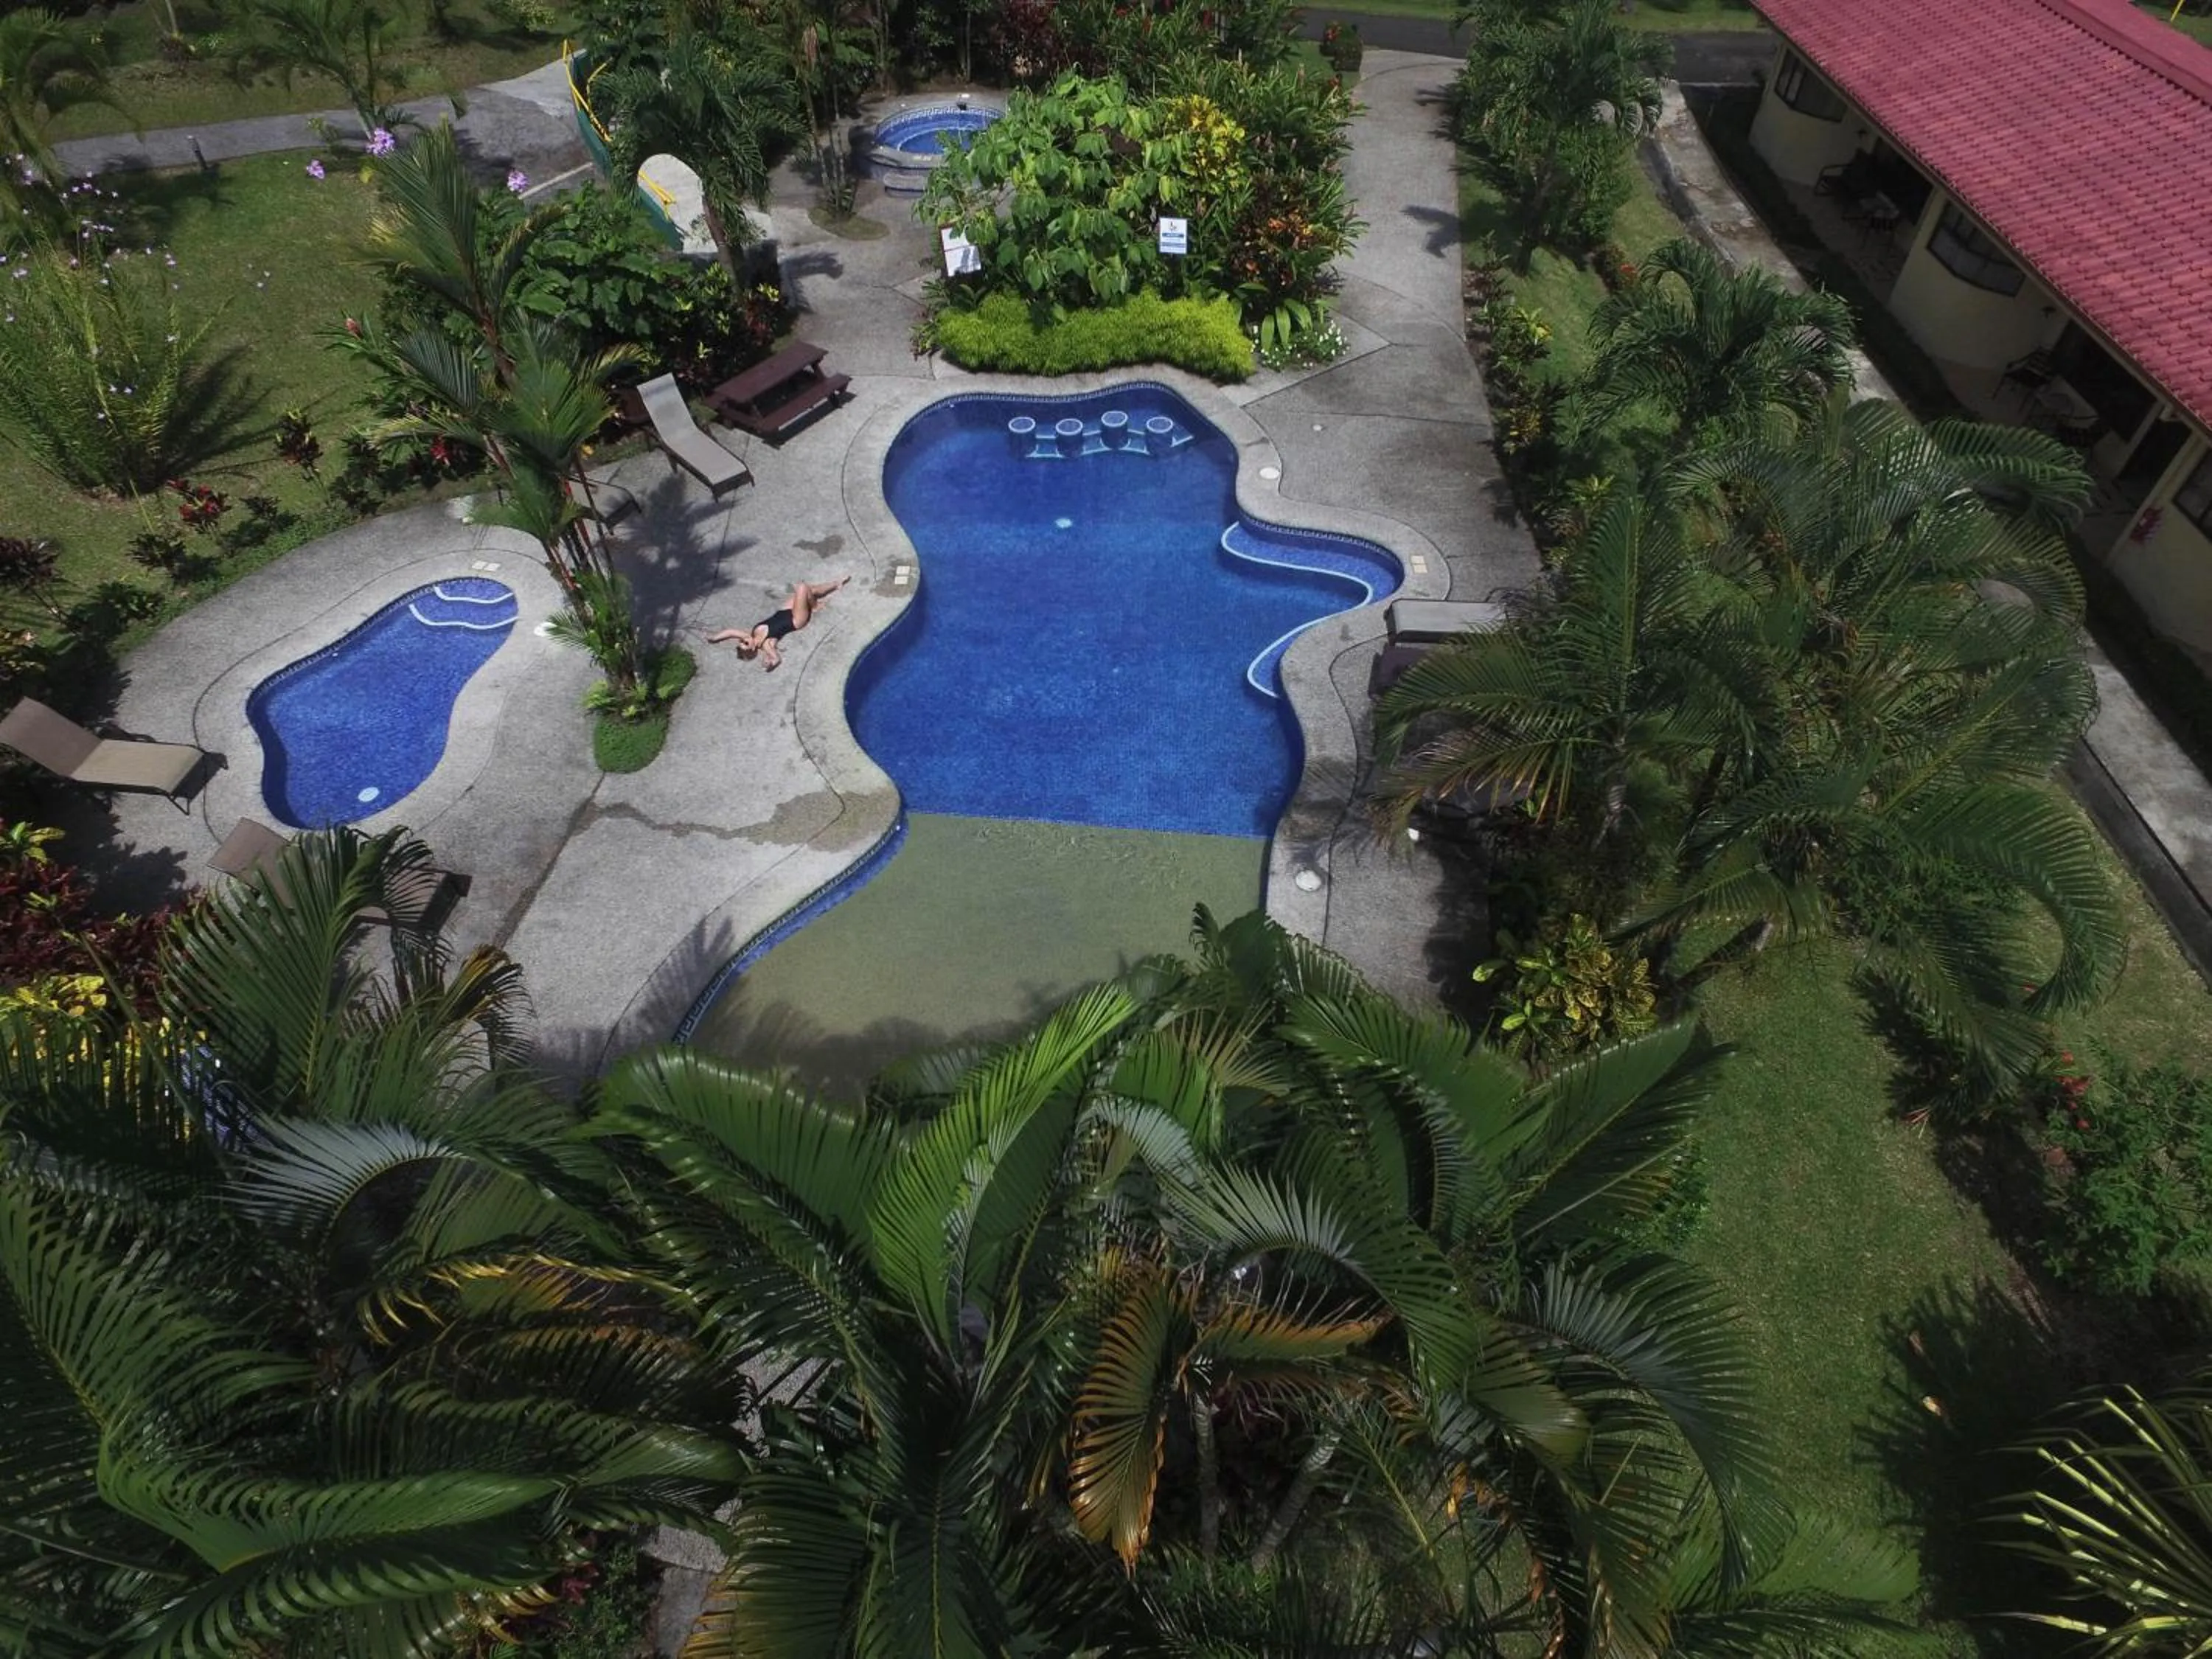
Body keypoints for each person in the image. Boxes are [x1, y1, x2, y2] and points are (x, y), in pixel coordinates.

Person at [708, 577, 849, 671]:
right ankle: (814, 606)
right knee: (802, 588)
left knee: (810, 590)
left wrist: (714, 638)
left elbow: (730, 632)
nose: (743, 640)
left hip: (784, 611)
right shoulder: (766, 645)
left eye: (742, 641)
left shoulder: (750, 635)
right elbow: (776, 659)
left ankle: (836, 584)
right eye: (745, 643)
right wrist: (769, 664)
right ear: (752, 649)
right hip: (796, 620)